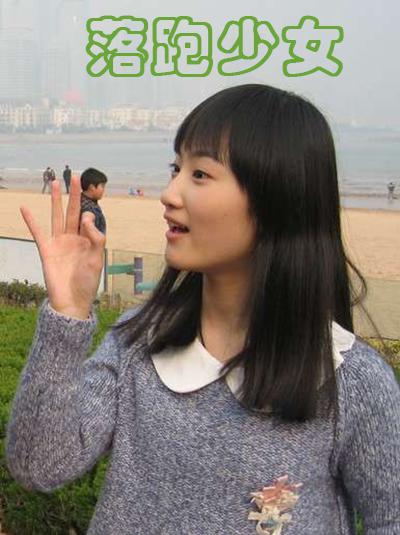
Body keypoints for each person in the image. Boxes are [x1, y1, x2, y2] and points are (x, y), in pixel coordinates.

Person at [6, 85, 400, 534]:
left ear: (279, 197)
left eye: (199, 174)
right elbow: (40, 466)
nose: (169, 193)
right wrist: (68, 314)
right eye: (176, 168)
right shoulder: (139, 341)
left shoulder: (351, 381)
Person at [80, 167, 107, 234]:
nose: (104, 190)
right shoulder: (89, 207)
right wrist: (98, 238)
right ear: (92, 187)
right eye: (102, 186)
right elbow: (86, 220)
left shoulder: (80, 199)